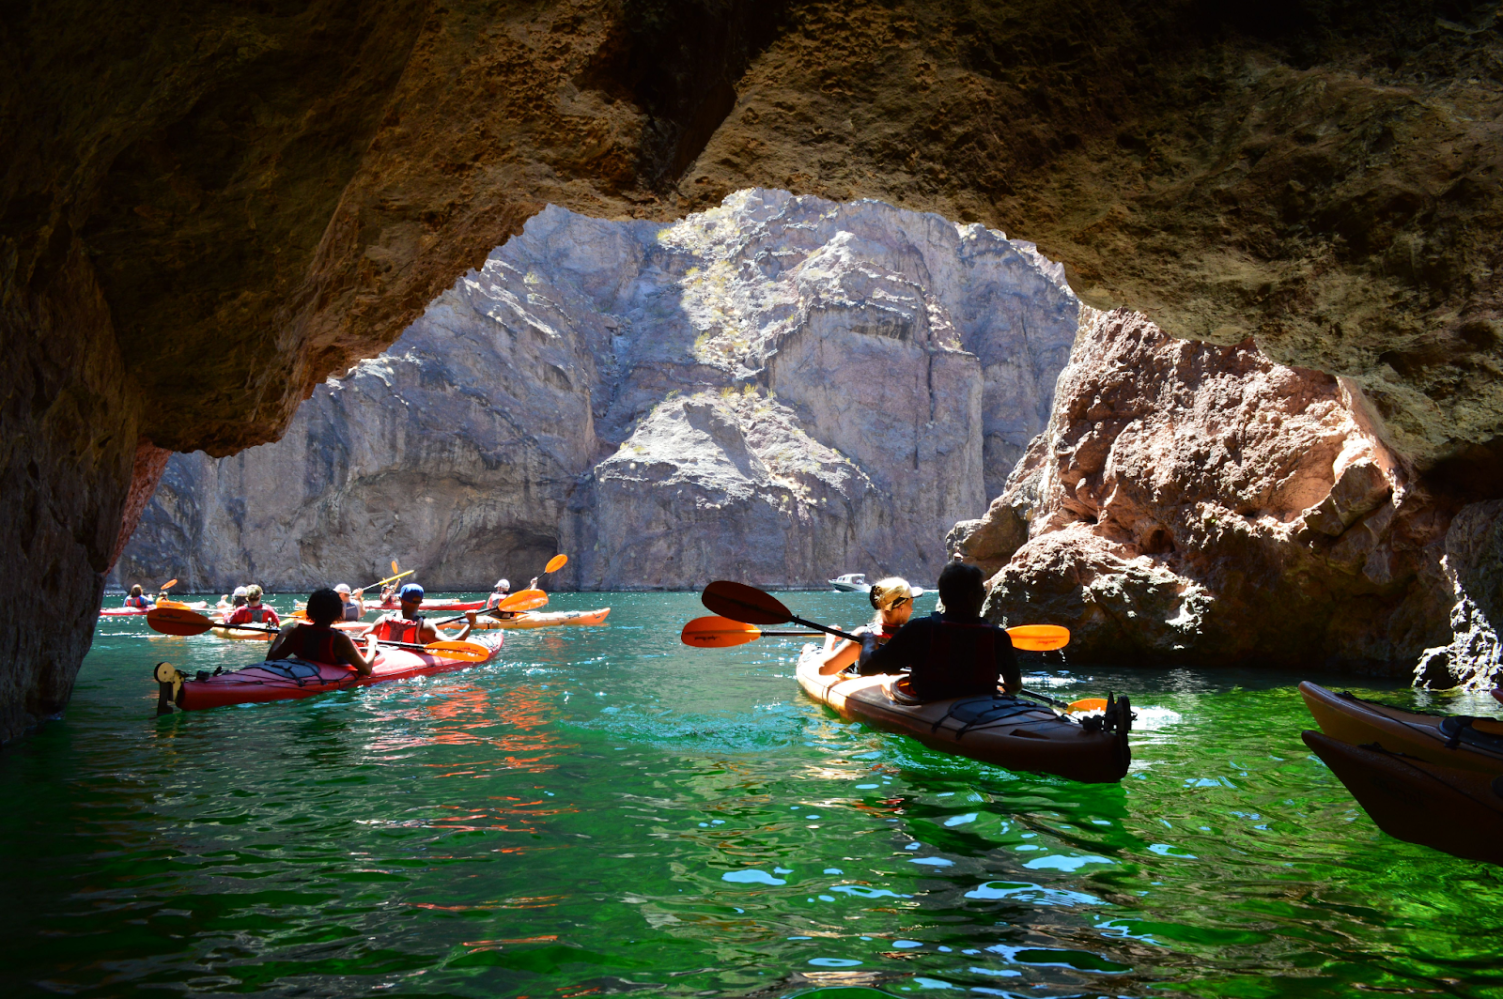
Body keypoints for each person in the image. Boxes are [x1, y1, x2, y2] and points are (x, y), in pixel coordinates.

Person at [853, 562, 1021, 701]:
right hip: (985, 712)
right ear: (972, 596)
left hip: (933, 709)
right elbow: (1014, 688)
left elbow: (868, 668)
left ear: (942, 596)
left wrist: (868, 640)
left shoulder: (920, 630)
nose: (983, 596)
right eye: (982, 592)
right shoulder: (998, 636)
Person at [266, 587, 379, 675]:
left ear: (309, 611)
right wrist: (373, 643)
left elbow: (270, 660)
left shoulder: (298, 633)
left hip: (305, 675)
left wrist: (282, 634)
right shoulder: (340, 639)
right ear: (338, 613)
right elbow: (367, 669)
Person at [814, 577, 915, 675]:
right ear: (901, 608)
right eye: (910, 605)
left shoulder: (864, 635)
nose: (912, 610)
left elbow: (824, 669)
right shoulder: (914, 637)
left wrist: (830, 639)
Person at [371, 583, 473, 644]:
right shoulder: (424, 627)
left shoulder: (383, 619)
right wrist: (471, 623)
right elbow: (453, 644)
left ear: (401, 600)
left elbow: (362, 637)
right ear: (421, 602)